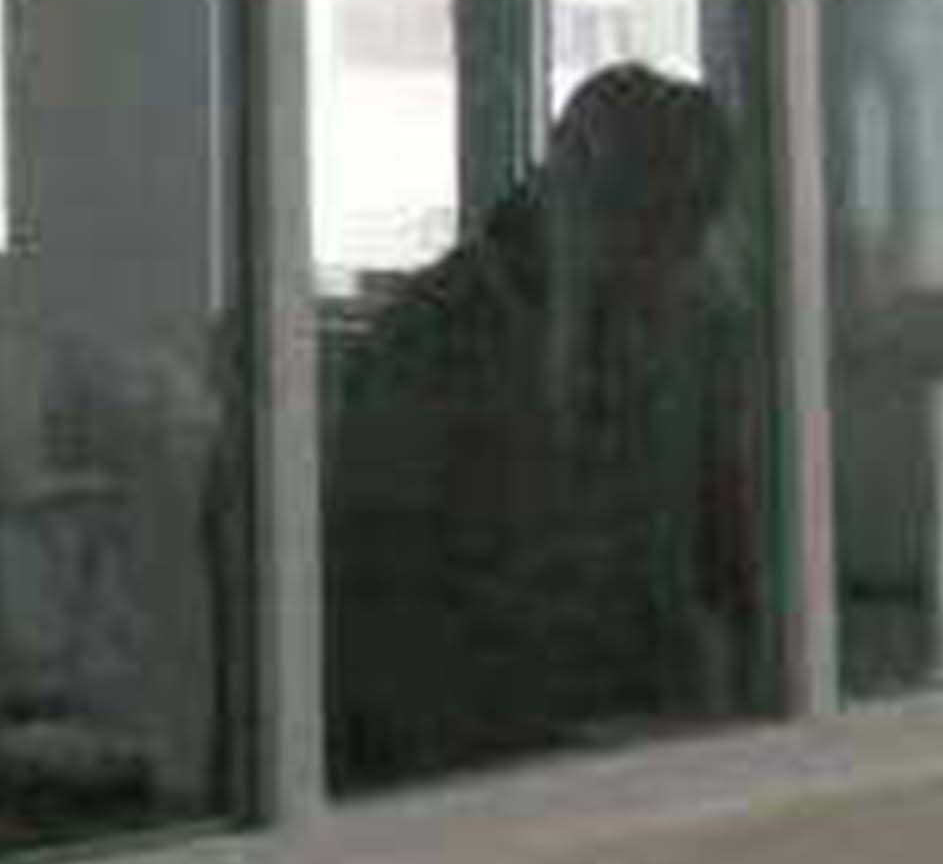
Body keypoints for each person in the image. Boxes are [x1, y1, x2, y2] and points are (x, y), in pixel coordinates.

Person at [321, 63, 759, 791]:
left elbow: (730, 552)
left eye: (685, 232)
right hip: (480, 771)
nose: (666, 263)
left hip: (656, 745)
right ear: (571, 190)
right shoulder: (428, 344)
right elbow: (379, 615)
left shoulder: (699, 329)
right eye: (648, 222)